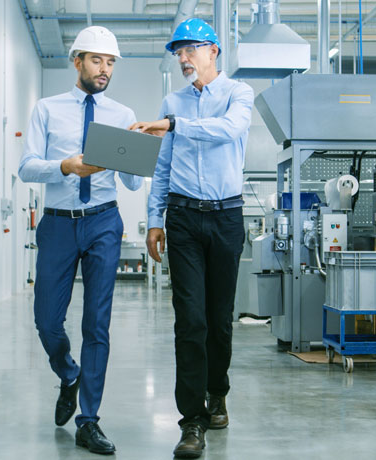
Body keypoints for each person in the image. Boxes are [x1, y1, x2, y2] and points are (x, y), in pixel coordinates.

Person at [130, 17, 254, 459]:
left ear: (213, 51)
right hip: (182, 218)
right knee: (190, 321)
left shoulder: (238, 94)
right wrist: (154, 218)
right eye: (178, 52)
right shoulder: (173, 101)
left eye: (190, 49)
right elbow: (163, 167)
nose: (183, 58)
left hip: (226, 218)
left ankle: (217, 391)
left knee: (219, 320)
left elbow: (230, 131)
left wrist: (174, 125)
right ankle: (192, 420)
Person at [18, 25, 143, 455]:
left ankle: (89, 420)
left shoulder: (123, 114)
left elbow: (129, 182)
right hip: (57, 223)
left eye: (110, 62)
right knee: (47, 320)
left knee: (97, 323)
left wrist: (143, 151)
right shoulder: (47, 110)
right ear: (77, 61)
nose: (105, 69)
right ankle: (68, 373)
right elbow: (26, 167)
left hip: (105, 221)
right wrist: (66, 167)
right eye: (97, 60)